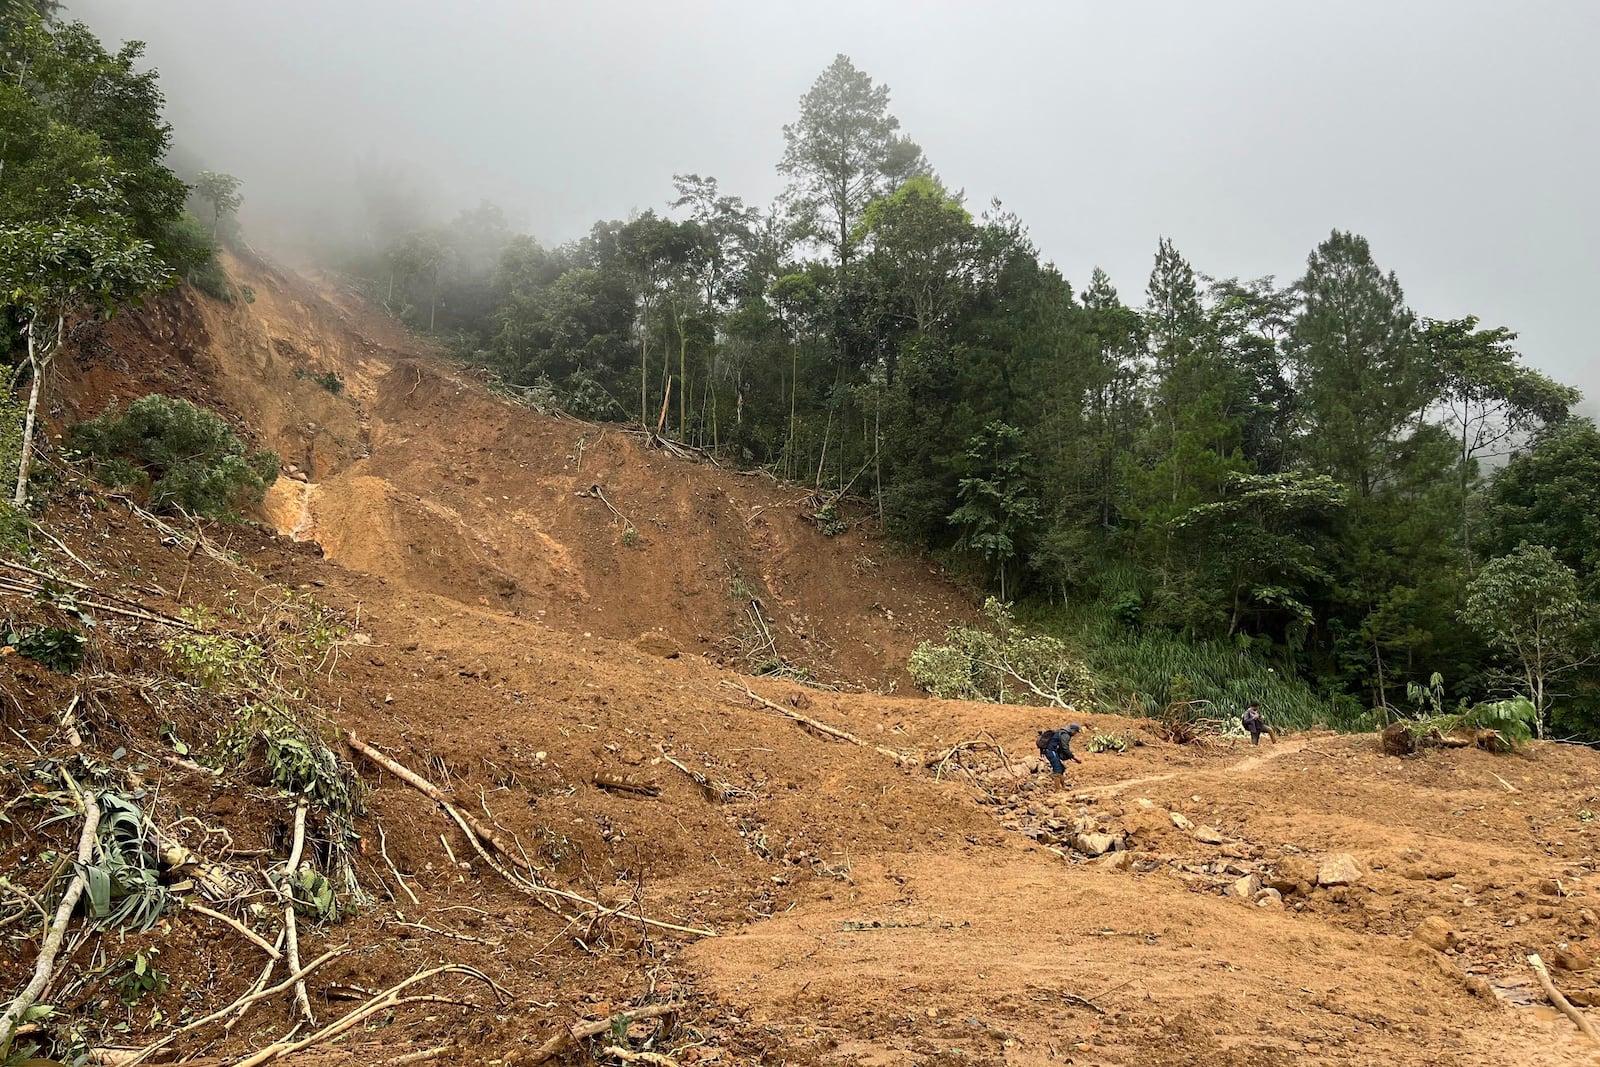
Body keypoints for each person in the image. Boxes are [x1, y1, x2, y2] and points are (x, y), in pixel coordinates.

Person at [1035, 723, 1083, 790]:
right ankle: (1058, 789)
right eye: (1076, 732)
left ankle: (1063, 787)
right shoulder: (1065, 735)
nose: (1075, 734)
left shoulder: (1062, 732)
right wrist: (1074, 757)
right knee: (1057, 769)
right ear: (1073, 730)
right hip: (1050, 751)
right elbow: (1065, 748)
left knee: (1062, 768)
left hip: (1052, 751)